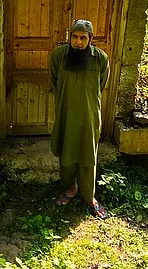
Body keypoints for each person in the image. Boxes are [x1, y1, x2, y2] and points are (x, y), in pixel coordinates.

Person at [49, 19, 110, 219]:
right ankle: (71, 188)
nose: (78, 42)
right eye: (75, 37)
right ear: (70, 37)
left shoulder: (100, 59)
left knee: (87, 155)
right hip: (66, 113)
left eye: (83, 38)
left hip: (89, 116)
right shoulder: (58, 56)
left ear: (90, 39)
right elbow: (55, 80)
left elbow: (101, 85)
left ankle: (89, 196)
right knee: (66, 153)